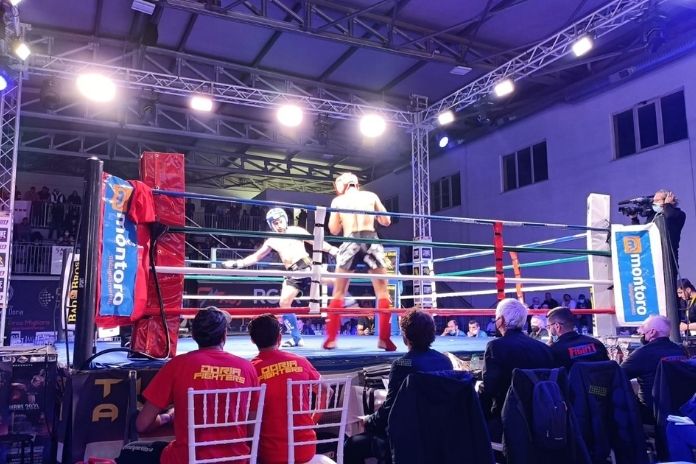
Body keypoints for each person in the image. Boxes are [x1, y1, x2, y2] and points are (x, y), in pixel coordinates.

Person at [136, 307, 259, 464]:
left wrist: (167, 417)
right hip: (236, 459)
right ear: (224, 336)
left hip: (186, 459)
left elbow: (142, 424)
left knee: (130, 451)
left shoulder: (177, 365)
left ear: (194, 335)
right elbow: (252, 429)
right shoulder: (247, 368)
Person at [344, 310, 453, 463]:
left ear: (406, 335)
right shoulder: (444, 361)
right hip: (439, 437)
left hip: (406, 440)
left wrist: (369, 420)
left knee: (351, 445)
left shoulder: (403, 363)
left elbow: (390, 409)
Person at [224, 208, 339, 347]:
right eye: (275, 223)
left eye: (280, 221)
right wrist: (238, 263)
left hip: (307, 266)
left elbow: (316, 243)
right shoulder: (272, 241)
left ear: (285, 219)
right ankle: (296, 338)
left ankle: (350, 298)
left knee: (336, 284)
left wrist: (332, 250)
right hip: (293, 273)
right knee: (284, 304)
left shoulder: (296, 230)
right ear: (271, 225)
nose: (278, 225)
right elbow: (256, 257)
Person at [323, 172, 395, 351]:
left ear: (342, 185)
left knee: (339, 292)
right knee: (382, 292)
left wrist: (344, 219)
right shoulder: (371, 196)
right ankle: (384, 339)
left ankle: (331, 340)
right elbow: (386, 221)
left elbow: (333, 229)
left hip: (350, 240)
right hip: (371, 240)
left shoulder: (338, 201)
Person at [248, 314, 322, 464]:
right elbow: (327, 391)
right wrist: (312, 420)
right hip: (306, 449)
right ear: (280, 338)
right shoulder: (301, 361)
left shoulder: (252, 370)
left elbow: (251, 421)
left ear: (252, 340)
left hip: (271, 454)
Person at [479, 298, 554, 436]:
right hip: (543, 417)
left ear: (501, 320)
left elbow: (490, 388)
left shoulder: (496, 346)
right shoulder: (543, 348)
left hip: (508, 418)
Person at [621, 315, 688, 423]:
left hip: (650, 413)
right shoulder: (681, 350)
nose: (640, 333)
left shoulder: (641, 353)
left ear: (652, 332)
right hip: (681, 411)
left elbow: (617, 376)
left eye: (643, 330)